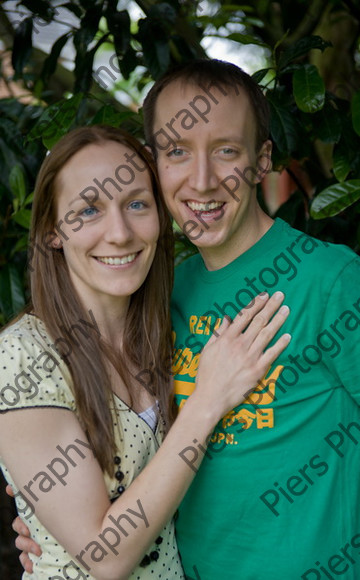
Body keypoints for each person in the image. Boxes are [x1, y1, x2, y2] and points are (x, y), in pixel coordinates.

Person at [13, 60, 360, 579]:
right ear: (156, 165)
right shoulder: (161, 295)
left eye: (227, 151)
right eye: (178, 153)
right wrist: (47, 519)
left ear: (262, 162)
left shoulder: (335, 283)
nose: (203, 180)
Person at [0, 124, 292, 580]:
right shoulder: (23, 357)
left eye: (137, 204)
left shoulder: (167, 331)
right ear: (53, 230)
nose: (119, 233)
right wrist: (208, 401)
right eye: (89, 210)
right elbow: (105, 555)